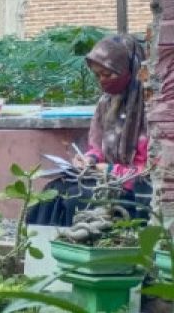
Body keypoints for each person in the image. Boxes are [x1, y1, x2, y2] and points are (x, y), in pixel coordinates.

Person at [29, 34, 151, 226]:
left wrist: (112, 170)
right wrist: (89, 159)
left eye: (108, 74)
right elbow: (98, 148)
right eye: (98, 75)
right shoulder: (106, 103)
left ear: (131, 69)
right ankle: (46, 254)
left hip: (137, 190)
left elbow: (154, 171)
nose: (103, 81)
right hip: (104, 179)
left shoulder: (153, 110)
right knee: (53, 192)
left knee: (78, 200)